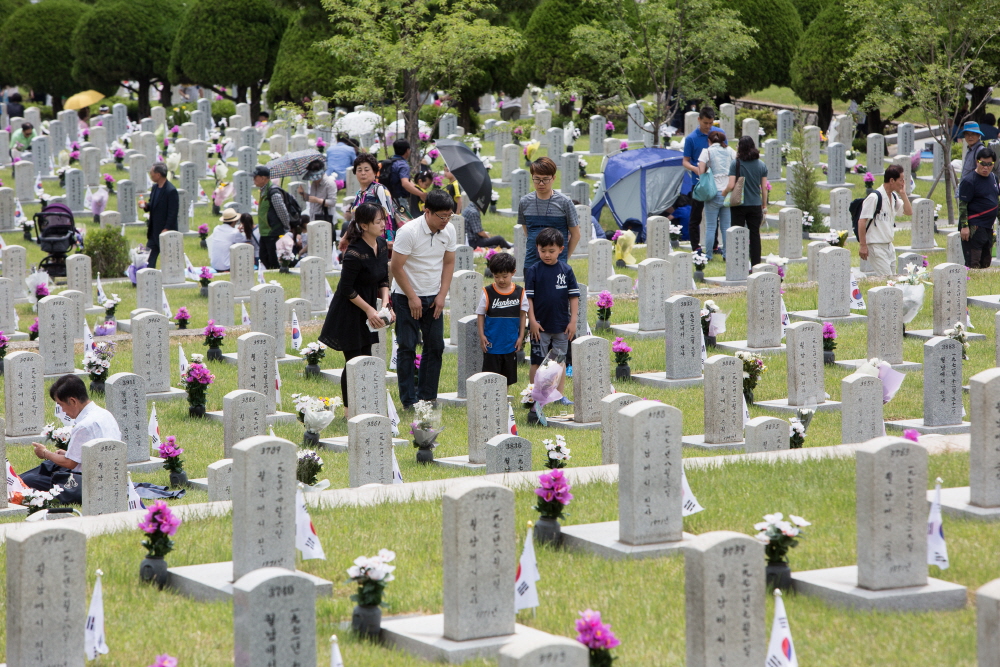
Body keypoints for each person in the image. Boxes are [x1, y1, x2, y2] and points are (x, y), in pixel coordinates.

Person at [319, 203, 393, 412]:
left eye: (383, 220)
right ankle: (349, 409)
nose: (383, 225)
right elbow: (346, 289)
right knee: (353, 360)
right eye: (378, 221)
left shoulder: (381, 243)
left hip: (369, 306)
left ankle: (364, 403)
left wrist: (385, 304)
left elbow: (383, 279)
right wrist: (369, 310)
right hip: (350, 311)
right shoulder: (354, 253)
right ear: (364, 225)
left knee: (366, 355)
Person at [389, 189, 458, 409]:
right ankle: (409, 400)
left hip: (433, 297)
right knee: (407, 346)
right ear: (426, 211)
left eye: (449, 216)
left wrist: (441, 295)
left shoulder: (449, 231)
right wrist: (412, 297)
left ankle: (428, 396)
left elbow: (448, 263)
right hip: (405, 295)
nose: (446, 221)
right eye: (441, 216)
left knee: (435, 346)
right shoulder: (409, 232)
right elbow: (396, 267)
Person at [20, 375, 121, 505]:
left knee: (30, 479)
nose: (62, 411)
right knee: (49, 466)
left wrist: (45, 453)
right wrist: (66, 454)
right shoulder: (105, 414)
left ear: (73, 401)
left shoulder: (84, 425)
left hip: (87, 481)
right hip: (111, 472)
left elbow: (70, 463)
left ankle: (15, 483)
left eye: (61, 405)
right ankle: (14, 481)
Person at [525, 227, 578, 423]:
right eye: (543, 250)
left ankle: (559, 394)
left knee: (560, 361)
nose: (547, 254)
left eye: (551, 251)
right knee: (537, 362)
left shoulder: (566, 270)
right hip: (539, 326)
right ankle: (534, 394)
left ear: (561, 250)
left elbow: (573, 297)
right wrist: (532, 320)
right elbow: (528, 299)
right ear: (537, 249)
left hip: (561, 325)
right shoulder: (533, 271)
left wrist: (573, 321)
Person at [517, 157, 580, 269]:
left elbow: (575, 234)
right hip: (531, 263)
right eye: (537, 179)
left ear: (553, 178)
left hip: (558, 263)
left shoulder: (564, 202)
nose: (541, 183)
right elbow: (528, 232)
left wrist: (564, 258)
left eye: (545, 179)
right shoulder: (524, 202)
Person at [477, 251, 527, 386]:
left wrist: (521, 336)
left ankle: (503, 401)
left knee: (507, 379)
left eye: (505, 276)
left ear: (513, 272)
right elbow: (480, 314)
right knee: (490, 376)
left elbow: (523, 315)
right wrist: (481, 335)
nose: (501, 280)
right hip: (492, 344)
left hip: (510, 343)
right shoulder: (487, 292)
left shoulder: (519, 292)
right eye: (496, 276)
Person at [857, 164, 912, 277]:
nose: (903, 183)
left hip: (889, 246)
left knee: (893, 279)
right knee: (888, 280)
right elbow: (862, 221)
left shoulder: (894, 197)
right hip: (876, 246)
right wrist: (863, 245)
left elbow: (908, 212)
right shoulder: (874, 197)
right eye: (901, 180)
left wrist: (903, 194)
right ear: (892, 180)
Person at [723, 136, 769, 266]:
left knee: (737, 233)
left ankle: (737, 264)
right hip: (755, 204)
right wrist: (764, 205)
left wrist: (724, 192)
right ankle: (756, 264)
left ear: (740, 148)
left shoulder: (736, 164)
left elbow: (731, 185)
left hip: (739, 204)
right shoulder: (761, 165)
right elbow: (764, 188)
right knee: (754, 235)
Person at [683, 107, 723, 253]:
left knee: (715, 215)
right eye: (705, 123)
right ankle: (696, 246)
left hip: (717, 182)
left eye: (711, 123)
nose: (708, 126)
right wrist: (696, 169)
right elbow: (685, 161)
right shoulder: (691, 138)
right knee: (696, 217)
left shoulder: (720, 134)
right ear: (699, 119)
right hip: (699, 183)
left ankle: (714, 245)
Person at [958, 147, 999, 268]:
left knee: (986, 261)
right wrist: (964, 227)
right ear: (977, 162)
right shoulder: (969, 181)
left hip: (988, 226)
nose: (985, 167)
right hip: (974, 226)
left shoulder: (994, 178)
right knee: (974, 262)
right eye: (982, 163)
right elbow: (962, 205)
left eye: (989, 164)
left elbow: (996, 200)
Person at [698, 130, 736, 260]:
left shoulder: (706, 151)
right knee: (726, 226)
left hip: (712, 192)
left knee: (710, 227)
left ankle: (708, 255)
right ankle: (727, 254)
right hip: (727, 192)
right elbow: (736, 166)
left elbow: (700, 171)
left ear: (709, 141)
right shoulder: (730, 151)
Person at [347, 153, 396, 247]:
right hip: (361, 240)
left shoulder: (379, 189)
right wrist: (346, 237)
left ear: (374, 171)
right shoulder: (359, 193)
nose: (363, 173)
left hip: (378, 240)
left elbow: (388, 215)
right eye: (359, 170)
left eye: (366, 170)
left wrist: (390, 239)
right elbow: (354, 219)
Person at [252, 165, 291, 270]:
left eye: (255, 177)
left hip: (273, 231)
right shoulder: (264, 191)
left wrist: (286, 227)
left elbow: (282, 211)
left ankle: (278, 276)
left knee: (273, 259)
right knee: (263, 257)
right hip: (265, 232)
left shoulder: (273, 192)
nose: (253, 179)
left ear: (264, 178)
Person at [144, 162, 179, 268]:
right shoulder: (154, 188)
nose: (150, 175)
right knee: (148, 258)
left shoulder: (171, 190)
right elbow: (153, 206)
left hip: (165, 231)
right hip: (153, 231)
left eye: (152, 173)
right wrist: (146, 206)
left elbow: (173, 212)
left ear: (158, 174)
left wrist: (167, 228)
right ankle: (149, 278)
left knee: (169, 259)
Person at [384, 139, 427, 217]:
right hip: (399, 200)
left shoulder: (390, 162)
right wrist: (421, 194)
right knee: (403, 222)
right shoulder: (402, 165)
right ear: (407, 150)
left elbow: (409, 182)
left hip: (387, 198)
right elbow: (405, 183)